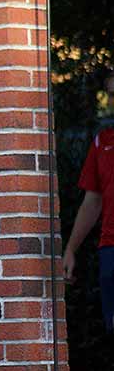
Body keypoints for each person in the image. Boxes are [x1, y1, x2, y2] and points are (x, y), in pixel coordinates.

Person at [63, 119, 114, 332]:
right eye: (112, 94)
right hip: (110, 247)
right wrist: (71, 249)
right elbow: (93, 200)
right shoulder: (102, 141)